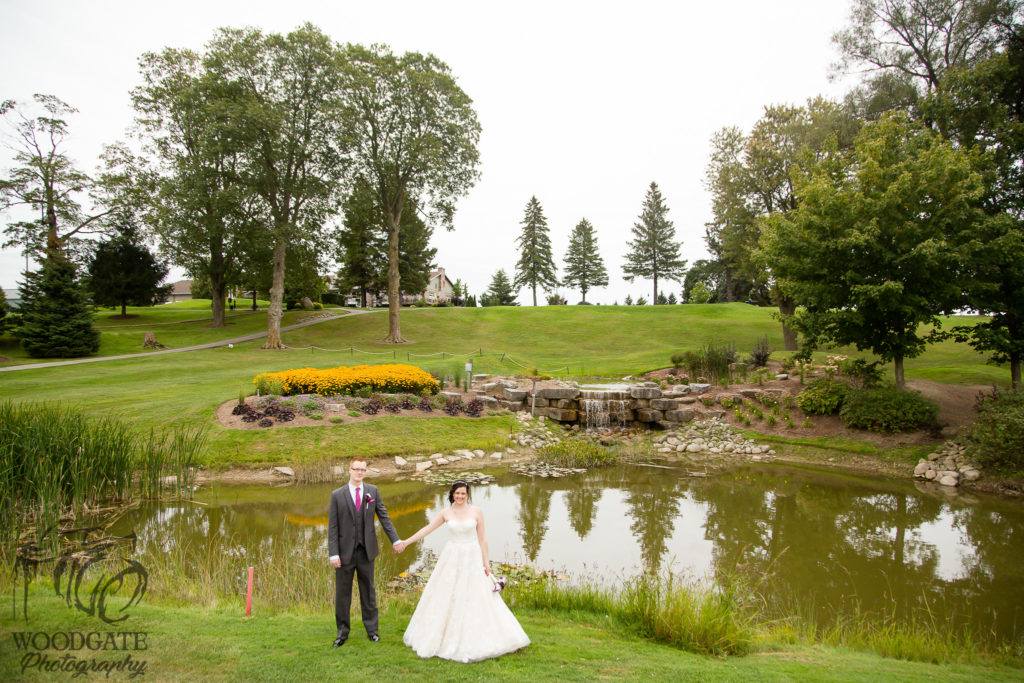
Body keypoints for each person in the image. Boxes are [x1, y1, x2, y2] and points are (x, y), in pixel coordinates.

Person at [395, 480, 530, 662]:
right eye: (457, 493)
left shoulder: (476, 512)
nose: (460, 496)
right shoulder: (445, 513)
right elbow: (427, 529)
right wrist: (406, 542)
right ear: (452, 494)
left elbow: (482, 539)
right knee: (447, 593)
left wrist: (486, 563)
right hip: (452, 555)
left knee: (475, 594)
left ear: (467, 495)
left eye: (463, 494)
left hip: (472, 555)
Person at [328, 457, 400, 647]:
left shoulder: (372, 491)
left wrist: (396, 539)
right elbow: (333, 527)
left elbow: (384, 516)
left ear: (365, 472)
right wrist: (333, 553)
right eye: (356, 469)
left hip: (367, 552)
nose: (359, 472)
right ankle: (342, 633)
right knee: (343, 594)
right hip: (344, 554)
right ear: (349, 470)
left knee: (368, 592)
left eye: (363, 469)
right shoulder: (337, 495)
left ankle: (372, 630)